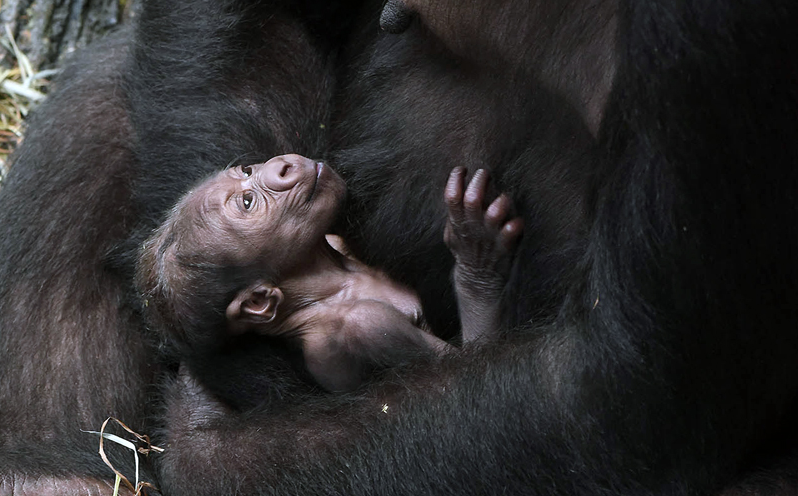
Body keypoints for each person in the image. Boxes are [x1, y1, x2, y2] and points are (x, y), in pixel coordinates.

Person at [137, 154, 523, 393]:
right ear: (259, 301)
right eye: (249, 201)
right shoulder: (354, 329)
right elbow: (481, 393)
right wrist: (478, 278)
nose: (276, 167)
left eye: (246, 170)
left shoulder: (331, 248)